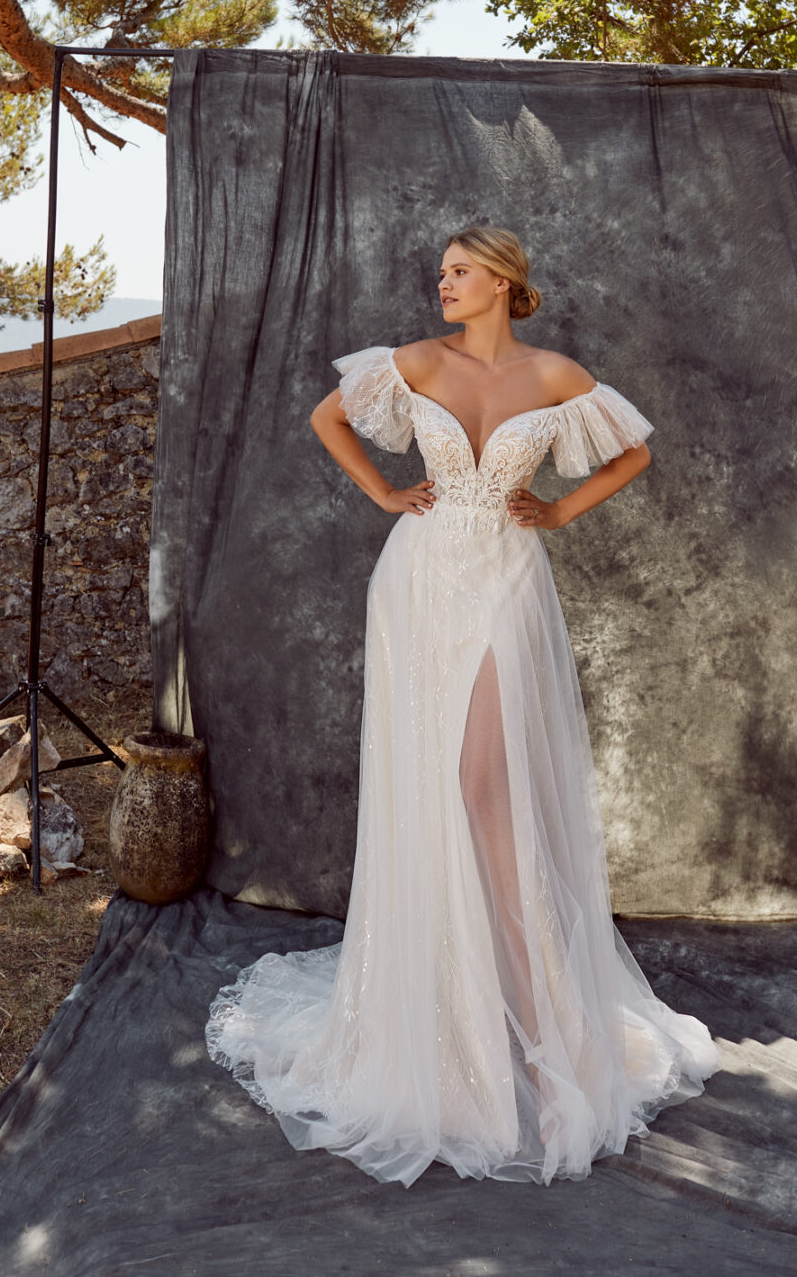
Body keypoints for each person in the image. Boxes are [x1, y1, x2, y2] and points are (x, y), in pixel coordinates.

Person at [205, 225, 721, 1186]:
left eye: (458, 271)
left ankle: (543, 1035)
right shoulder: (416, 361)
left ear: (502, 281)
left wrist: (559, 511)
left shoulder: (554, 374)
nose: (442, 283)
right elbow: (328, 418)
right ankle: (440, 1012)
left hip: (506, 579)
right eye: (441, 272)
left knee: (484, 785)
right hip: (419, 578)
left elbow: (633, 455)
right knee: (427, 784)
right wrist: (382, 494)